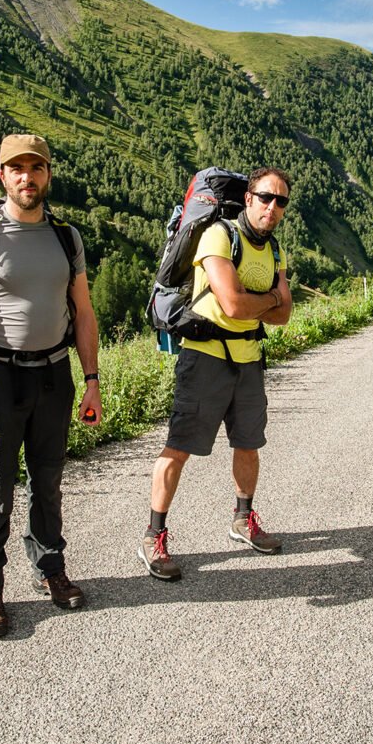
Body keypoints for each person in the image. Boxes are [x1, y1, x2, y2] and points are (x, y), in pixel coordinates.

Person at [0, 133, 102, 638]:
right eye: (17, 169)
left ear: (48, 174)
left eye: (36, 168)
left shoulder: (64, 236)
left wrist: (92, 379)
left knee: (48, 480)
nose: (27, 177)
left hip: (54, 373)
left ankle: (50, 567)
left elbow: (84, 313)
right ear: (3, 175)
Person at [138, 167, 293, 581]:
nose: (272, 207)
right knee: (179, 447)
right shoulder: (218, 236)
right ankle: (154, 536)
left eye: (281, 201)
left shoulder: (274, 250)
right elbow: (232, 305)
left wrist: (260, 301)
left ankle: (243, 521)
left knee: (248, 444)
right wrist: (271, 296)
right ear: (248, 198)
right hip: (204, 356)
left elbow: (284, 315)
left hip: (248, 358)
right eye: (265, 197)